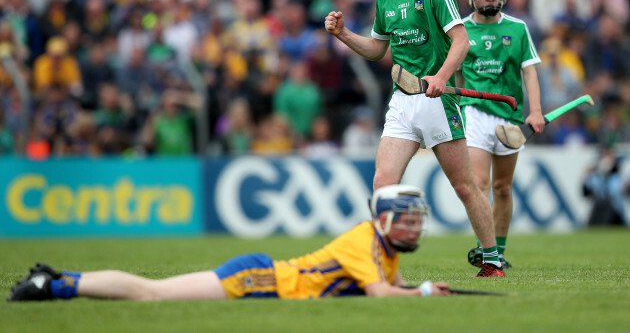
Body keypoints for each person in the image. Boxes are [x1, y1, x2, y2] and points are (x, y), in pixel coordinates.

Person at [324, 0, 504, 277]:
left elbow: (461, 41)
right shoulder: (384, 1)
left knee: (465, 186)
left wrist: (440, 76)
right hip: (402, 102)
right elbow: (378, 50)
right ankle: (379, 263)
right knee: (382, 184)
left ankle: (492, 259)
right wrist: (343, 35)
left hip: (438, 102)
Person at [8, 184, 452, 301]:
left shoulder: (385, 249)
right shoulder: (365, 242)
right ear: (386, 220)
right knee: (153, 294)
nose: (415, 230)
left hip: (265, 279)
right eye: (408, 222)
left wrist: (419, 289)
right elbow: (380, 294)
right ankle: (57, 283)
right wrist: (425, 292)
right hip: (258, 280)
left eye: (417, 222)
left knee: (153, 293)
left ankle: (59, 283)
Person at [456, 0, 545, 269]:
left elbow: (529, 70)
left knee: (503, 188)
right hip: (475, 112)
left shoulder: (518, 28)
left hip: (509, 118)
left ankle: (500, 251)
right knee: (479, 182)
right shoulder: (461, 30)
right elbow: (454, 72)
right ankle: (487, 249)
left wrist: (534, 111)